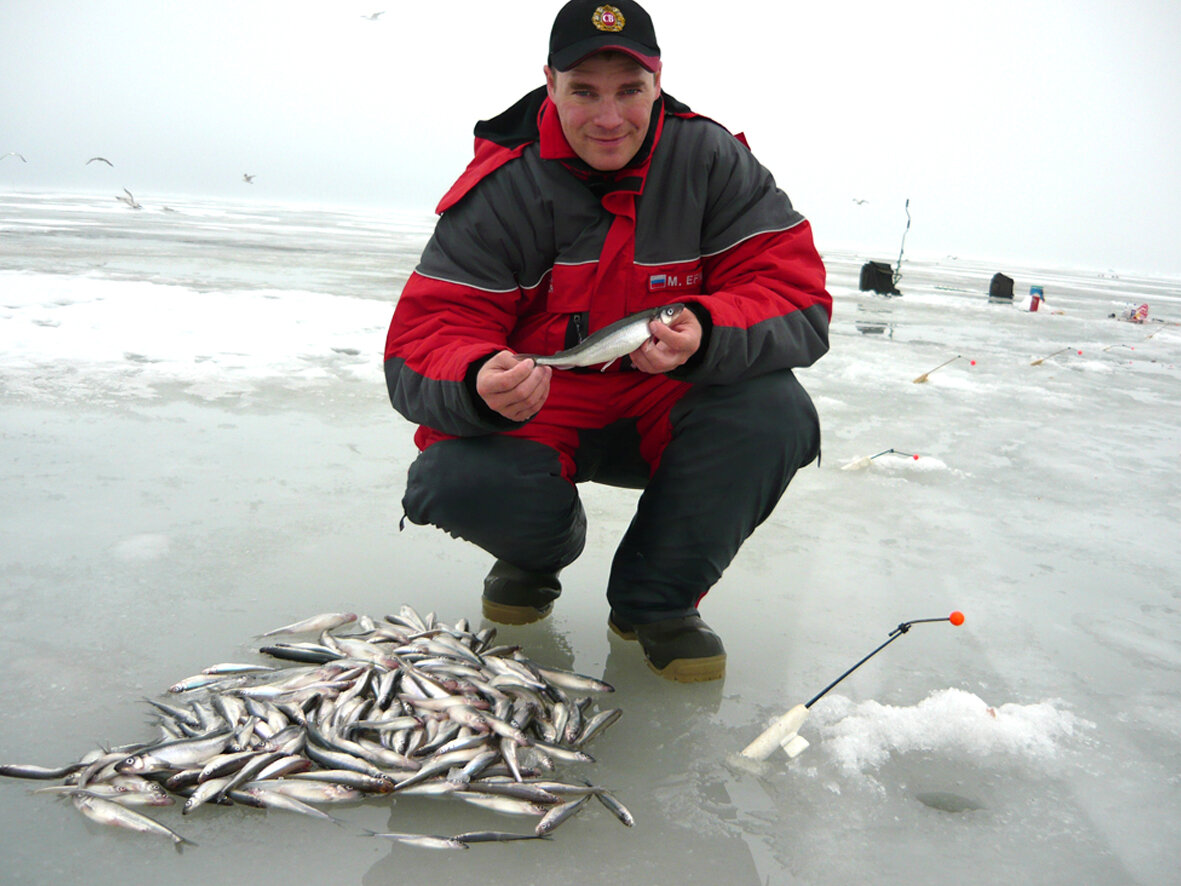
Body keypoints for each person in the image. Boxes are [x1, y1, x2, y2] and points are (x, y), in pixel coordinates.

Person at [383, 0, 831, 682]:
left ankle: (656, 604)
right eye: (583, 91)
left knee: (772, 415)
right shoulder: (504, 183)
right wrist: (477, 379)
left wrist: (707, 334)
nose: (608, 117)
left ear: (657, 82)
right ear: (549, 82)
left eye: (629, 91)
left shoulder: (710, 161)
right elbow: (424, 337)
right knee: (455, 477)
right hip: (542, 401)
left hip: (668, 395)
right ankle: (536, 555)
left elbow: (794, 297)